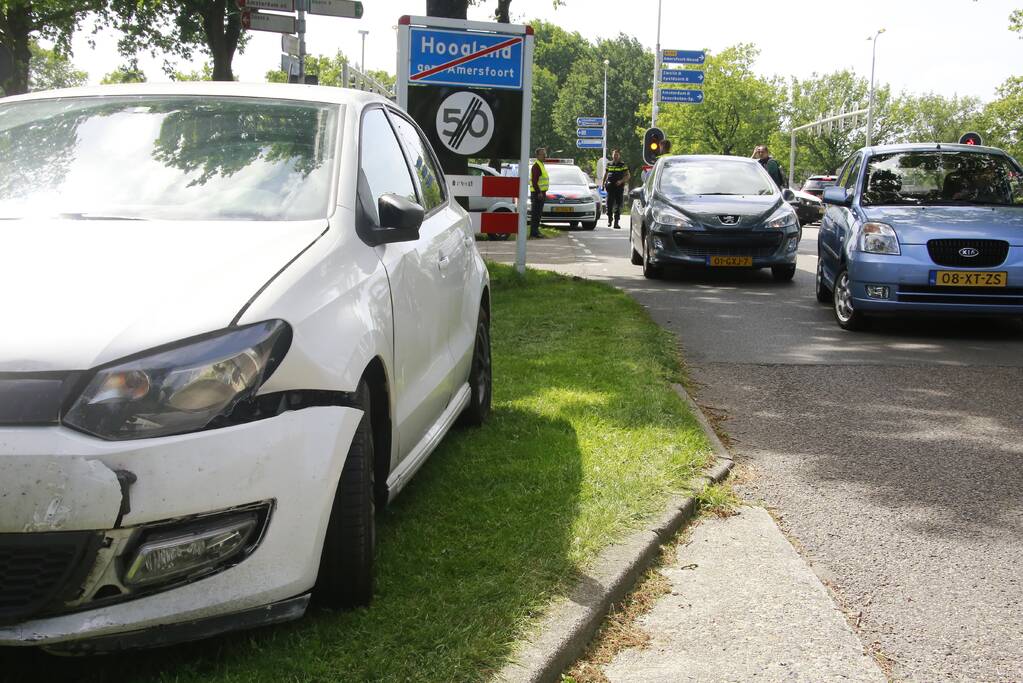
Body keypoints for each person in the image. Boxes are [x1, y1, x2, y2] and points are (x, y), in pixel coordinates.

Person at [601, 149, 630, 229]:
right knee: (609, 204)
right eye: (614, 155)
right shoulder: (609, 164)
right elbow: (606, 174)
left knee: (618, 205)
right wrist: (603, 184)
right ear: (612, 155)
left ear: (619, 156)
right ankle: (609, 219)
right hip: (610, 187)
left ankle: (616, 222)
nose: (615, 156)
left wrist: (621, 181)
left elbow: (628, 176)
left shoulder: (623, 164)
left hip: (619, 187)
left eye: (617, 155)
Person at [530, 147, 549, 238]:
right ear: (537, 156)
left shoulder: (541, 165)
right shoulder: (537, 166)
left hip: (540, 193)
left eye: (545, 154)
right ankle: (534, 232)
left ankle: (535, 231)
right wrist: (539, 192)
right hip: (538, 194)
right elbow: (534, 181)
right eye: (542, 154)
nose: (545, 155)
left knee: (538, 214)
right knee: (536, 214)